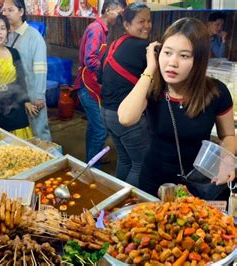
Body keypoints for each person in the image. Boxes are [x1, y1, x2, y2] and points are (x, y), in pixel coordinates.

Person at [118, 18, 235, 200]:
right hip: (154, 179)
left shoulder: (216, 92)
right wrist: (150, 68)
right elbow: (125, 118)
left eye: (184, 56)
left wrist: (226, 159)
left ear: (199, 60)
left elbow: (228, 136)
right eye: (167, 52)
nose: (172, 62)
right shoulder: (152, 87)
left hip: (199, 183)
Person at [98, 2, 151, 186]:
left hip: (106, 113)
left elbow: (100, 78)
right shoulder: (144, 48)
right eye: (141, 21)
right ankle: (132, 205)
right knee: (140, 163)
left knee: (125, 158)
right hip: (126, 118)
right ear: (127, 25)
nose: (146, 25)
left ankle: (119, 199)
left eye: (149, 21)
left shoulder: (113, 45)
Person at [73, 0, 124, 168]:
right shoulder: (96, 29)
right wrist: (107, 74)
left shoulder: (103, 30)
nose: (120, 16)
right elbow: (91, 59)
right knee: (101, 129)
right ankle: (94, 169)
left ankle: (91, 158)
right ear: (108, 10)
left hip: (91, 85)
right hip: (87, 86)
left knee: (94, 127)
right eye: (119, 12)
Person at [3, 0, 52, 141]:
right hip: (15, 95)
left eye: (10, 10)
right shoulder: (6, 35)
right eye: (4, 10)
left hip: (32, 93)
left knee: (39, 133)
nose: (6, 13)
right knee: (21, 134)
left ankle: (50, 160)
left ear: (21, 12)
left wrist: (38, 96)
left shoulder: (34, 37)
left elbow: (40, 69)